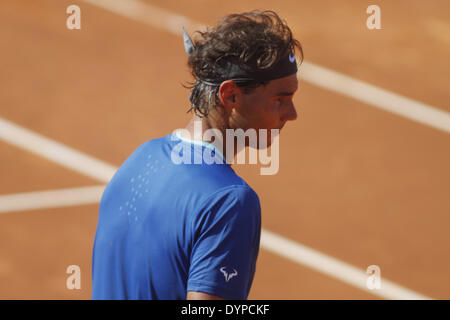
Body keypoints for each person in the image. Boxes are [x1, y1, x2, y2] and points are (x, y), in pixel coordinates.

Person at [92, 10, 302, 300]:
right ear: (230, 96)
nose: (292, 114)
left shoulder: (142, 157)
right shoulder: (230, 201)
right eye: (281, 99)